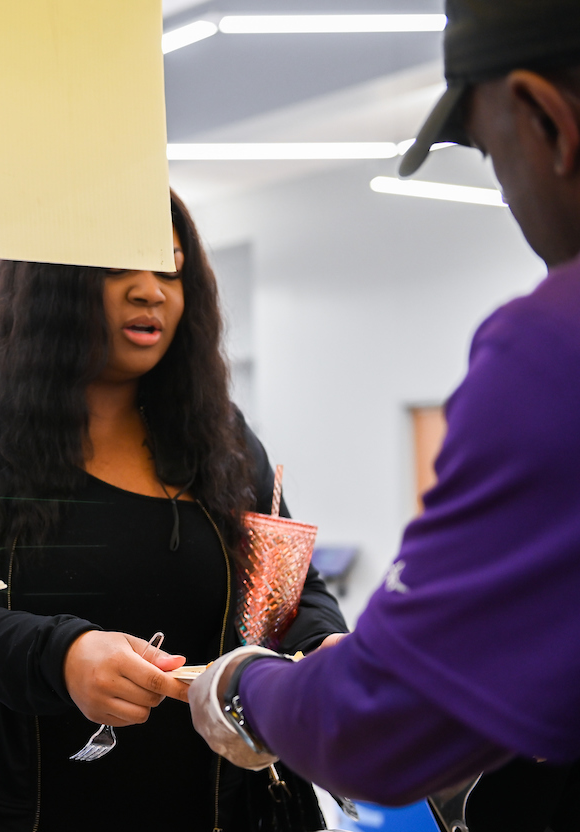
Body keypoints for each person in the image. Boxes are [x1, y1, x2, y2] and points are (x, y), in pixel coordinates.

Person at [189, 0, 580, 820]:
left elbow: (380, 727)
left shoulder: (551, 348)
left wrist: (243, 685)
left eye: (490, 151)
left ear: (546, 119)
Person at [0, 191, 347, 831]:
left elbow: (292, 590)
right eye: (121, 267)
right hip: (32, 811)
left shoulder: (220, 438)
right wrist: (63, 656)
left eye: (170, 270)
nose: (150, 291)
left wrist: (322, 644)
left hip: (231, 808)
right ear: (51, 279)